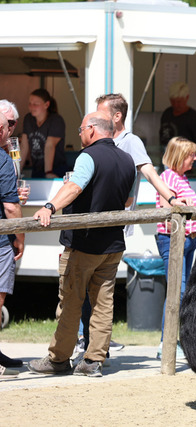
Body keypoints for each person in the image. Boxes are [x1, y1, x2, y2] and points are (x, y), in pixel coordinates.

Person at [72, 93, 191, 358]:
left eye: (102, 112)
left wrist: (171, 197)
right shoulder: (94, 139)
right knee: (86, 285)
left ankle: (92, 342)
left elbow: (149, 172)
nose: (96, 117)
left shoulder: (130, 141)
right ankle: (87, 339)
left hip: (111, 224)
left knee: (99, 287)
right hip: (88, 221)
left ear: (117, 116)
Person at [27, 111, 135, 377]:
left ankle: (59, 359)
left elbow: (75, 187)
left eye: (81, 129)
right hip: (113, 244)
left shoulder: (88, 156)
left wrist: (49, 206)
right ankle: (93, 361)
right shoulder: (127, 160)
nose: (79, 133)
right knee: (103, 305)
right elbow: (127, 201)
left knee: (70, 303)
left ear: (92, 129)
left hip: (83, 243)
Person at [155, 136, 196, 358]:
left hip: (189, 239)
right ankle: (167, 342)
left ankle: (177, 340)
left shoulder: (182, 178)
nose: (195, 158)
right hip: (175, 240)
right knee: (177, 291)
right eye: (191, 155)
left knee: (183, 291)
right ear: (180, 156)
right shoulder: (168, 178)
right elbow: (167, 213)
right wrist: (179, 234)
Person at [0, 112, 25, 378]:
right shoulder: (3, 160)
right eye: (8, 125)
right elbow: (10, 207)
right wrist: (20, 237)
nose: (11, 130)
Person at [19, 89, 68, 178]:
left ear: (46, 105)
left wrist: (48, 172)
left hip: (55, 169)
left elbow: (50, 146)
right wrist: (17, 172)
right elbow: (24, 146)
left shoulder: (56, 120)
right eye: (30, 104)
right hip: (37, 169)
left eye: (35, 104)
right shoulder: (28, 119)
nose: (31, 107)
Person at [159, 82, 196, 150]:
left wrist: (186, 151)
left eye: (179, 102)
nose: (175, 105)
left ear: (187, 97)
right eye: (173, 101)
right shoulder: (166, 114)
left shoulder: (193, 117)